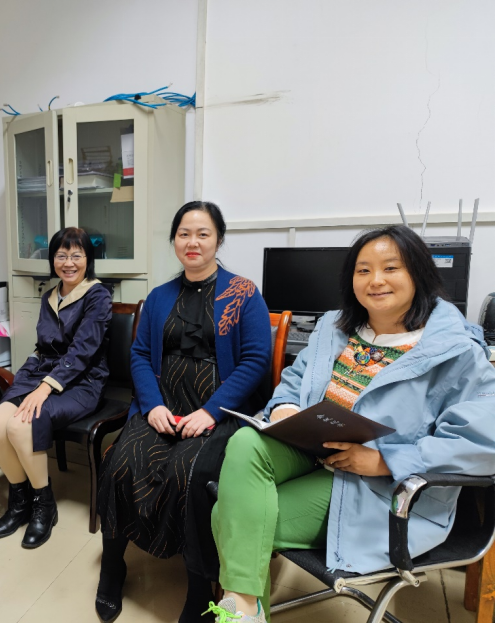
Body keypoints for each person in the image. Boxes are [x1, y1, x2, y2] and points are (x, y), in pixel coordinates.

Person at [206, 225, 495, 623]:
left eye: (390, 268)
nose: (375, 280)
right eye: (363, 270)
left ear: (419, 274)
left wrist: (384, 460)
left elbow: (482, 442)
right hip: (312, 452)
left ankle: (242, 609)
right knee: (244, 441)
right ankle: (246, 609)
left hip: (375, 487)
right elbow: (294, 379)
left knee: (228, 517)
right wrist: (286, 407)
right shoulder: (333, 328)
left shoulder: (456, 352)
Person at [95, 201, 272, 622]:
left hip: (218, 410)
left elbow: (255, 360)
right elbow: (140, 354)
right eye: (184, 234)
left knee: (188, 475)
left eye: (203, 234)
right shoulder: (159, 297)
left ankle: (198, 585)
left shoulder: (243, 293)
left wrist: (211, 411)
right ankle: (112, 565)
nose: (193, 242)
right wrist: (152, 404)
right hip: (163, 406)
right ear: (174, 240)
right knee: (121, 464)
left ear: (218, 240)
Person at [0, 227, 112, 549]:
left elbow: (82, 351)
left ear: (88, 259)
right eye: (61, 255)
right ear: (53, 259)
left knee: (20, 425)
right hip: (43, 374)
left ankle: (44, 503)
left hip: (82, 380)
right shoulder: (50, 296)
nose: (68, 263)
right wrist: (28, 377)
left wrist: (45, 388)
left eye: (76, 255)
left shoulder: (98, 295)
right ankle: (20, 501)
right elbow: (42, 346)